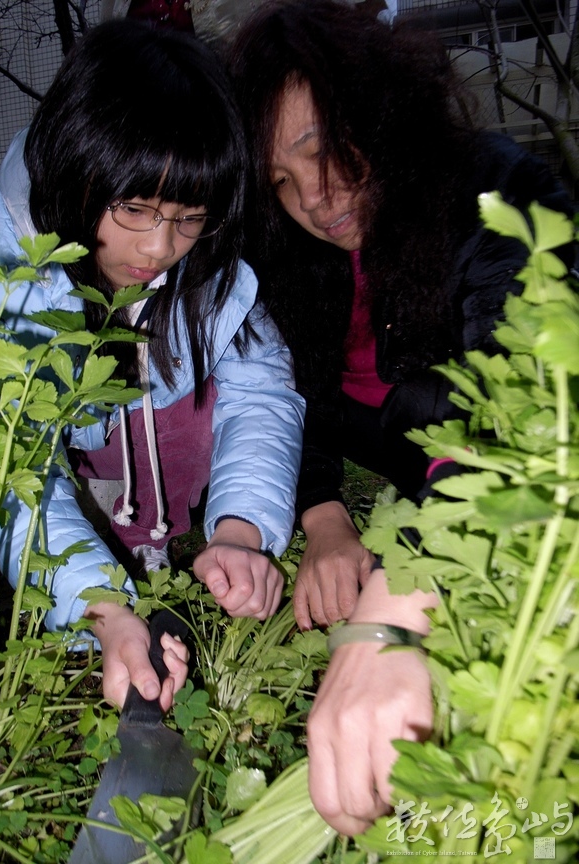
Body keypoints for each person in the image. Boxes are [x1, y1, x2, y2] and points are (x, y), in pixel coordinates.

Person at [229, 0, 574, 834]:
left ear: (381, 109)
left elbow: (512, 404)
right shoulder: (294, 260)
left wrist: (390, 611)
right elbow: (289, 396)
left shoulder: (503, 192)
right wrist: (322, 519)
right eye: (281, 179)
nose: (313, 196)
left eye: (317, 146)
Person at [0, 19, 304, 711]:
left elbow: (262, 396)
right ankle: (113, 559)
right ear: (75, 173)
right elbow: (10, 467)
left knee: (203, 381)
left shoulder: (208, 261)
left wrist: (241, 531)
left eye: (188, 216)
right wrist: (101, 605)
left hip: (171, 468)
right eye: (134, 208)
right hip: (78, 468)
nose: (160, 245)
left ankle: (164, 545)